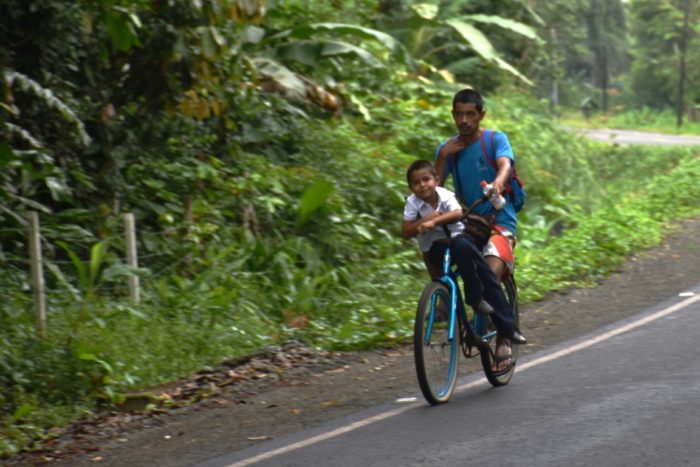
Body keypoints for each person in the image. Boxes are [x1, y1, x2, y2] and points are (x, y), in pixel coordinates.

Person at [433, 88, 526, 372]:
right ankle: (456, 308)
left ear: (480, 115)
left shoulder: (495, 140)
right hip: (469, 221)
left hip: (500, 221)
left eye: (470, 114)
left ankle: (503, 339)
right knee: (450, 254)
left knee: (491, 271)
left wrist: (498, 181)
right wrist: (441, 159)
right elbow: (432, 191)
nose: (464, 120)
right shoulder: (447, 149)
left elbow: (505, 165)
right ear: (453, 115)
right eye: (459, 114)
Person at [401, 159, 496, 315]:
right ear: (411, 187)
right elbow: (405, 231)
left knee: (467, 263)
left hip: (457, 239)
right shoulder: (412, 202)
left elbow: (457, 213)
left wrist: (434, 221)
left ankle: (475, 298)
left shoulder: (444, 195)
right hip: (433, 248)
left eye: (426, 180)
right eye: (416, 182)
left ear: (436, 180)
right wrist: (427, 219)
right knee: (443, 282)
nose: (422, 185)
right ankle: (456, 318)